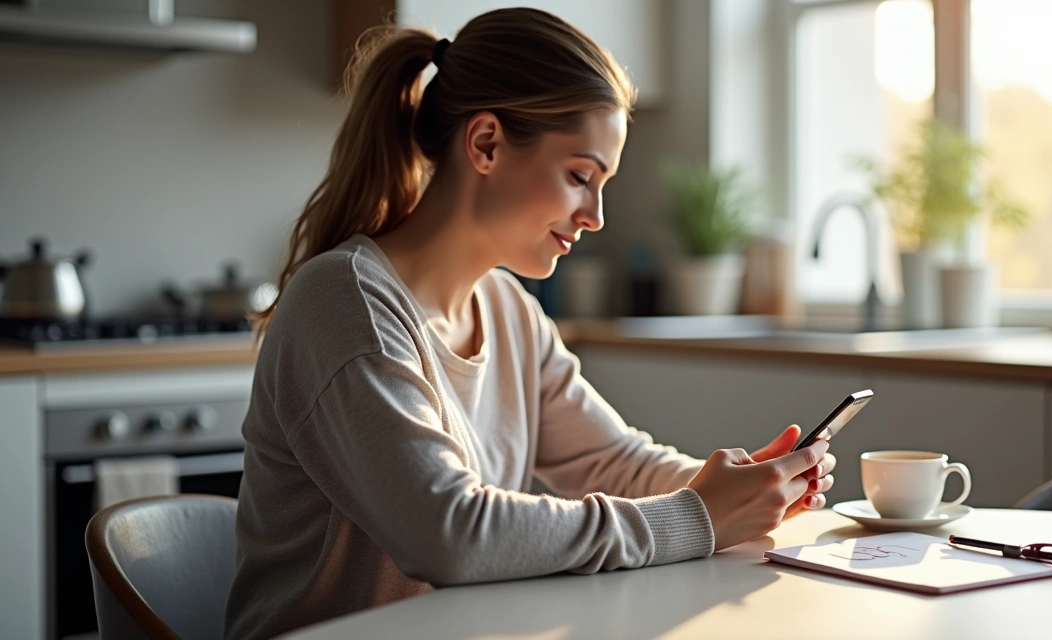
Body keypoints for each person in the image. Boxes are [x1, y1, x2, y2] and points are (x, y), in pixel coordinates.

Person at [224, 8, 835, 639]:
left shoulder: (509, 309)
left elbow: (614, 461)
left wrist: (738, 491)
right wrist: (697, 516)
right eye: (579, 177)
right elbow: (449, 535)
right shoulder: (345, 304)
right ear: (485, 143)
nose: (595, 215)